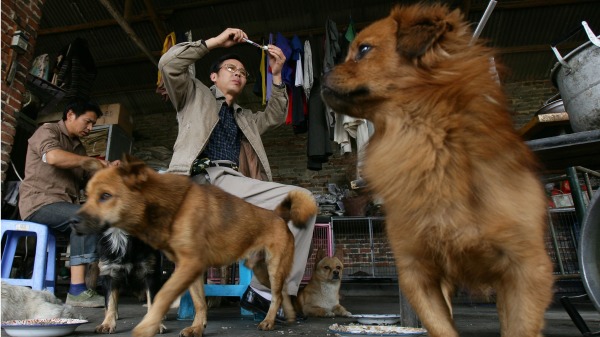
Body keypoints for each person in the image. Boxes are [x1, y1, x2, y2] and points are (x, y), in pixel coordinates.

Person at [158, 28, 316, 319]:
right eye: (230, 68)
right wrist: (215, 42)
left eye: (243, 72)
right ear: (214, 77)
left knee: (302, 203)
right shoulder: (193, 95)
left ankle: (265, 292)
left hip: (234, 182)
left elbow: (276, 116)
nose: (238, 74)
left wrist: (277, 75)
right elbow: (168, 64)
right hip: (198, 181)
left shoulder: (245, 117)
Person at [18, 99, 119, 308]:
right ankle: (77, 290)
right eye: (88, 122)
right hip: (39, 203)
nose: (90, 128)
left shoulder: (78, 148)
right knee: (86, 218)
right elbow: (53, 157)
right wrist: (90, 161)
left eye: (93, 124)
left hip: (62, 206)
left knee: (103, 218)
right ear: (71, 114)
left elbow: (86, 182)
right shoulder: (47, 131)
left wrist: (107, 169)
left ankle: (95, 283)